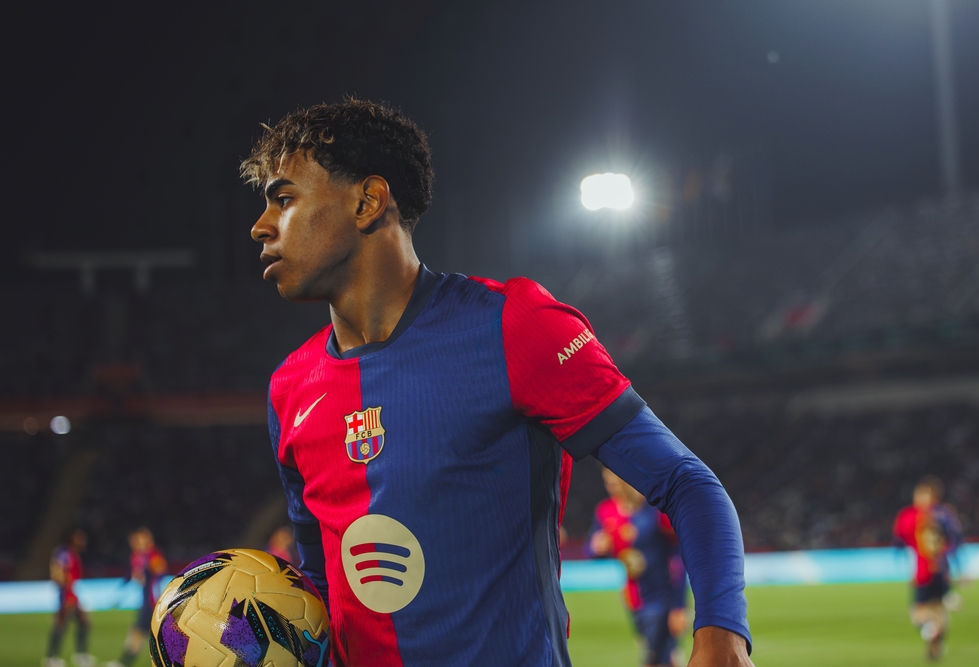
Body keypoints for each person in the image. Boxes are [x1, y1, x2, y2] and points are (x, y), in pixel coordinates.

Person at [242, 99, 753, 667]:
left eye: (284, 199)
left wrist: (722, 632)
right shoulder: (290, 388)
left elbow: (686, 484)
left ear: (368, 202)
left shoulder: (513, 327)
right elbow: (318, 585)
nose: (261, 226)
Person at [589, 467, 689, 667]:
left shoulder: (654, 510)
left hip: (662, 597)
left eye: (617, 483)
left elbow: (678, 555)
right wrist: (596, 547)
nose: (612, 488)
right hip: (633, 598)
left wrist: (679, 605)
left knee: (657, 657)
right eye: (608, 483)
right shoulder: (606, 511)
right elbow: (592, 549)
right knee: (659, 655)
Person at [893, 475, 963, 661]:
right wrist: (957, 569)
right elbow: (955, 541)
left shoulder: (910, 516)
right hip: (942, 570)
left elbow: (899, 541)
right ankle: (937, 646)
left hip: (923, 572)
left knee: (918, 612)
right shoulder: (945, 514)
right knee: (939, 609)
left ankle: (930, 630)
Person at [106, 528, 167, 667]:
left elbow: (160, 572)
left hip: (152, 602)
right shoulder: (138, 556)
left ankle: (123, 663)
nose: (133, 543)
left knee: (139, 633)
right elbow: (130, 574)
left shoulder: (153, 555)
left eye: (137, 540)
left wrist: (149, 571)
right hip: (147, 602)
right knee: (144, 634)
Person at [45, 528, 94, 667]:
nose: (83, 540)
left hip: (71, 593)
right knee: (61, 624)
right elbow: (58, 572)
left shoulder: (69, 552)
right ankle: (52, 657)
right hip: (67, 595)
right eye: (79, 537)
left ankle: (78, 655)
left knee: (83, 623)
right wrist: (67, 594)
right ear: (72, 538)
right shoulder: (65, 553)